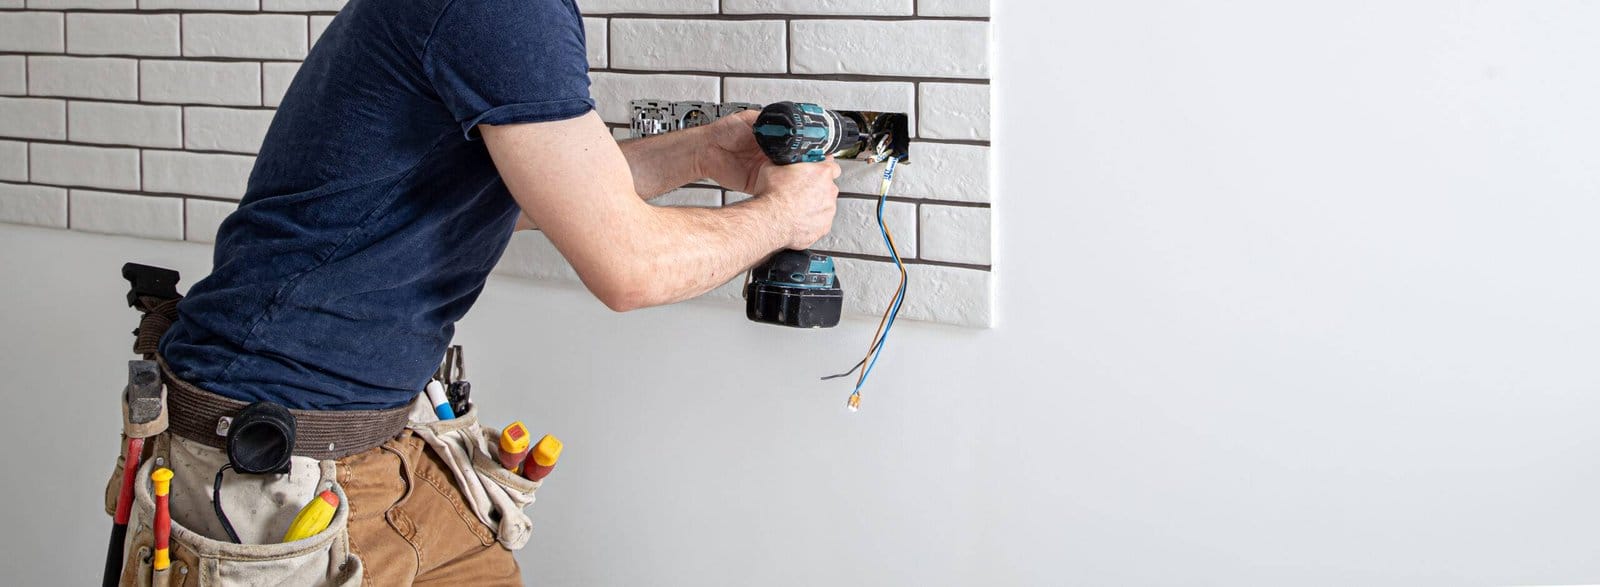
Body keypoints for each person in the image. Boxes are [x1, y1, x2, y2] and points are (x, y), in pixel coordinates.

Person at [129, 0, 841, 583]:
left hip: (381, 439)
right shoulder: (504, 8)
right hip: (267, 460)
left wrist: (699, 152)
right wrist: (782, 217)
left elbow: (535, 192)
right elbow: (631, 268)